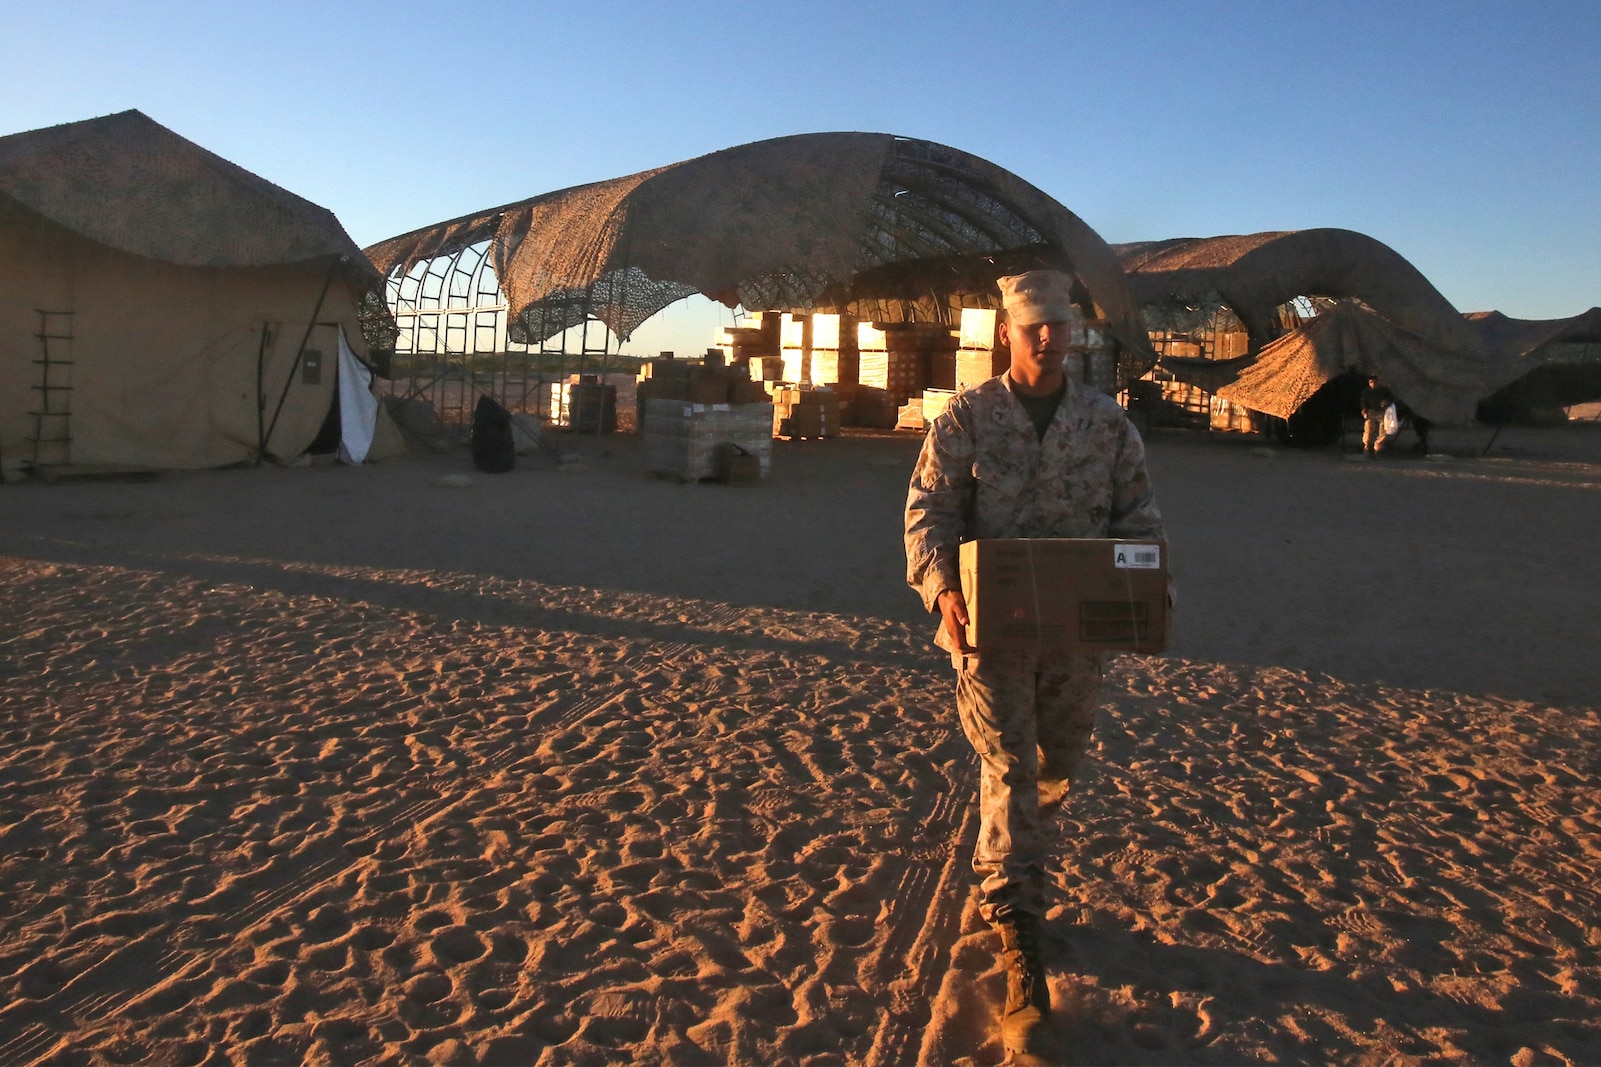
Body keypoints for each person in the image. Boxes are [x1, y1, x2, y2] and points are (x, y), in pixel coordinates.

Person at [903, 269, 1166, 1058]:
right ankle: (1019, 926)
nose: (1050, 337)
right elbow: (929, 510)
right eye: (1034, 327)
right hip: (988, 632)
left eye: (1061, 325)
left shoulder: (1106, 423)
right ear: (1007, 334)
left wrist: (1140, 586)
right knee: (1008, 761)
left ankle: (1008, 862)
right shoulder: (968, 417)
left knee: (1057, 759)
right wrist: (942, 590)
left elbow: (1137, 514)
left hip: (1075, 637)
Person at [1361, 374, 1396, 456]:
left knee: (1383, 429)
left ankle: (1379, 447)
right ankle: (1367, 446)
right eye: (1371, 382)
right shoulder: (1366, 392)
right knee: (1369, 428)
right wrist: (1364, 410)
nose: (1373, 384)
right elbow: (1363, 402)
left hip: (1382, 412)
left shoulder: (1384, 390)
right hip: (1371, 411)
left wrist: (1387, 402)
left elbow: (1391, 398)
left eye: (1374, 382)